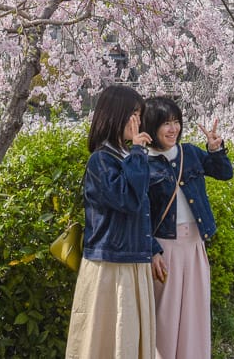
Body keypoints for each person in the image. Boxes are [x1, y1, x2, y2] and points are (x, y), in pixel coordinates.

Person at [65, 85, 156, 359]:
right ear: (116, 115)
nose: (137, 122)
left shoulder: (126, 157)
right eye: (133, 114)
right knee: (107, 341)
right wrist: (139, 153)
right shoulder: (101, 160)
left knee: (126, 341)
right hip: (110, 265)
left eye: (139, 114)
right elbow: (128, 200)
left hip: (129, 260)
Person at [143, 97, 233, 359]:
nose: (173, 129)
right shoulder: (143, 163)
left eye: (176, 123)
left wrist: (216, 150)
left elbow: (225, 173)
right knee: (165, 315)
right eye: (165, 124)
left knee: (195, 312)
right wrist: (152, 251)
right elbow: (140, 215)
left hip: (195, 245)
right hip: (165, 248)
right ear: (151, 126)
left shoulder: (190, 153)